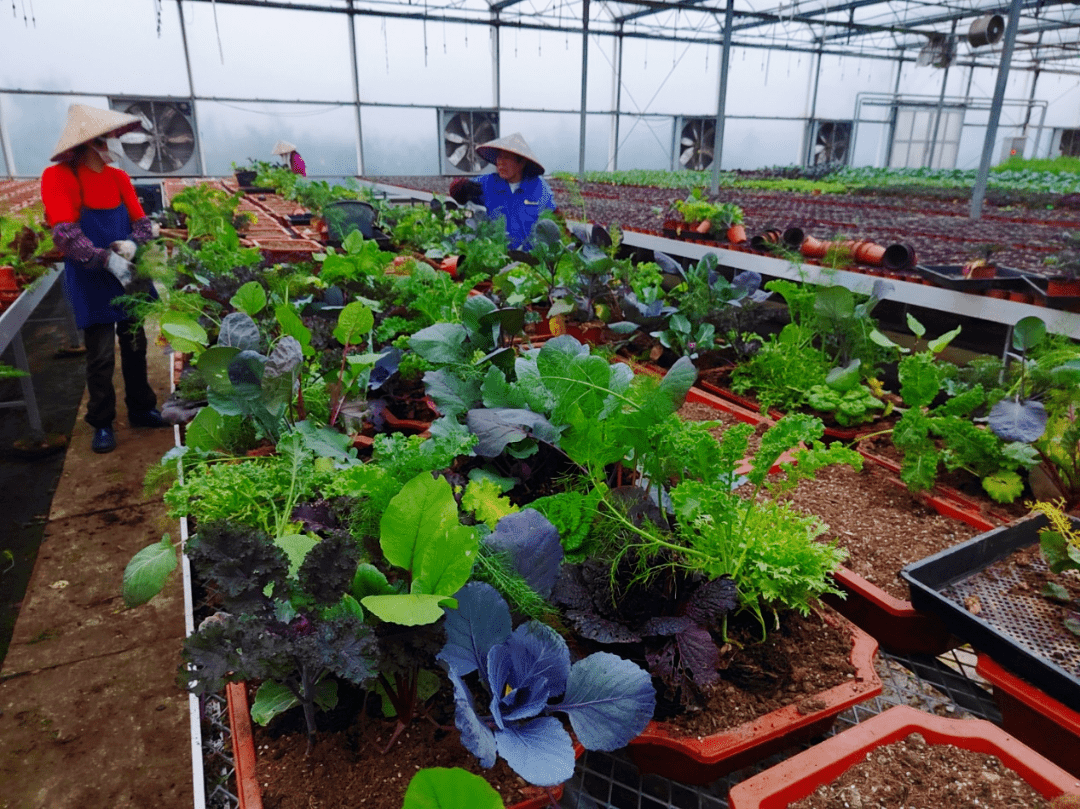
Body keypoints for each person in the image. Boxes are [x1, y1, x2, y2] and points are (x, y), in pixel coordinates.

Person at [40, 103, 166, 454]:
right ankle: (102, 421)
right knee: (99, 355)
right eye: (105, 139)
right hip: (91, 276)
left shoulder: (119, 178)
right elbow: (65, 233)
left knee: (135, 344)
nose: (112, 144)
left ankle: (142, 408)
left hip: (128, 271)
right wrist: (103, 259)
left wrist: (132, 243)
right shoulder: (60, 177)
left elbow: (141, 222)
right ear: (88, 143)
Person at [448, 132, 556, 251]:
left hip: (531, 260)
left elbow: (554, 218)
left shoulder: (539, 187)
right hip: (495, 256)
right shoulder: (488, 183)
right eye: (499, 157)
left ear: (521, 163)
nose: (500, 162)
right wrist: (463, 187)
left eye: (506, 158)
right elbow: (455, 192)